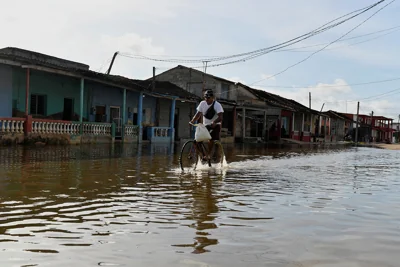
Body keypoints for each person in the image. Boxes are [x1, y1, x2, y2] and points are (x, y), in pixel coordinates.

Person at [189, 89, 224, 160]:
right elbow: (198, 114)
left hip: (215, 125)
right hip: (206, 125)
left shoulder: (217, 105)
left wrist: (214, 122)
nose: (206, 99)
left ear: (212, 98)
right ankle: (204, 155)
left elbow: (220, 117)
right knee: (197, 141)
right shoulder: (202, 103)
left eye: (208, 97)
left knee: (212, 140)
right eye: (205, 97)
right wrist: (192, 121)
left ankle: (210, 154)